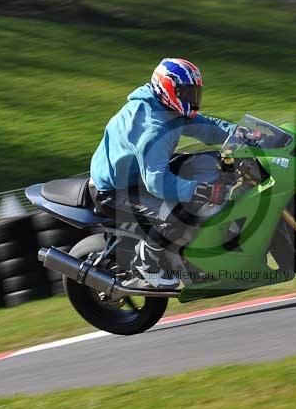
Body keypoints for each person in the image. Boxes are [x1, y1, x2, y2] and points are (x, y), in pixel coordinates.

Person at [89, 58, 239, 289]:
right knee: (180, 210)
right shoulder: (152, 127)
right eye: (187, 92)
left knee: (210, 166)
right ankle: (147, 262)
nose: (193, 98)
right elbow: (157, 183)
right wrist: (200, 191)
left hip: (142, 172)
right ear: (168, 88)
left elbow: (208, 128)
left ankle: (195, 251)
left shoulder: (166, 107)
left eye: (195, 92)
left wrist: (243, 134)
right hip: (115, 189)